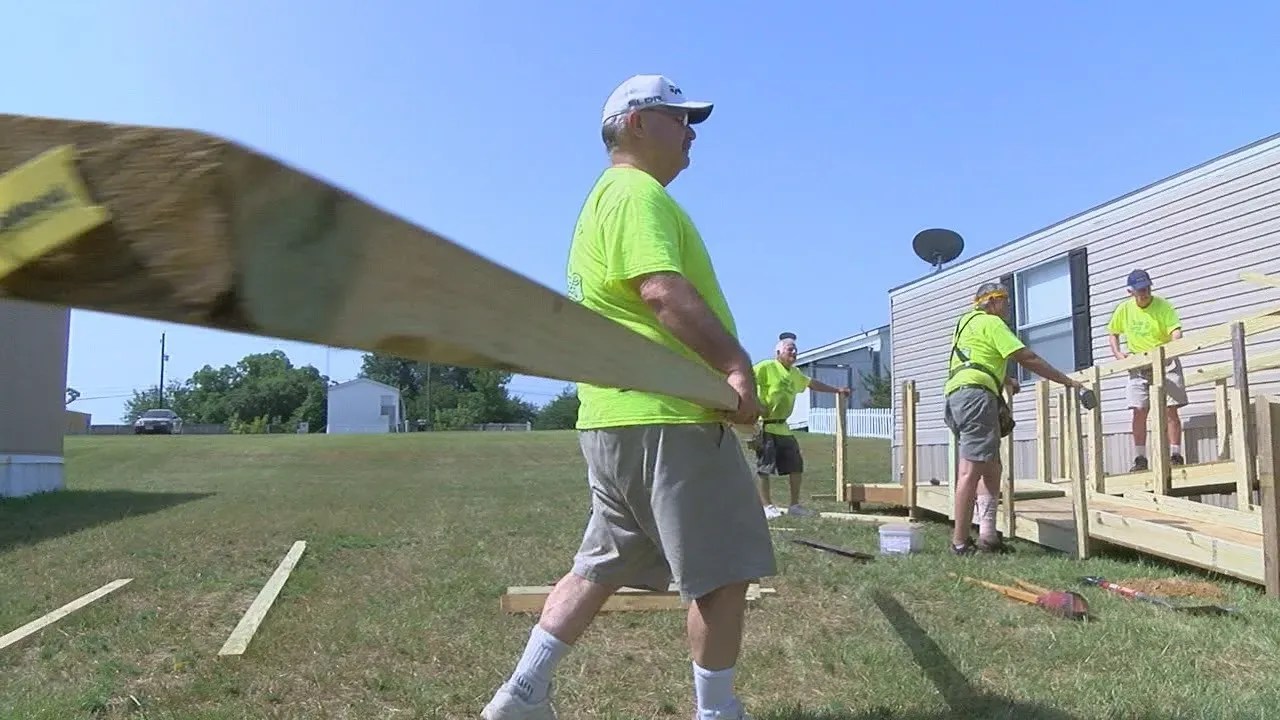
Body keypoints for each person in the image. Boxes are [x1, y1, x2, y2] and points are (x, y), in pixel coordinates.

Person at [482, 74, 775, 720]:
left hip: (612, 420)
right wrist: (734, 366)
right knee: (722, 576)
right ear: (638, 123)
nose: (691, 132)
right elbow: (660, 292)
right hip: (670, 420)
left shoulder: (601, 201)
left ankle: (524, 694)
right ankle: (717, 712)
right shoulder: (637, 193)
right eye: (679, 118)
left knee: (599, 567)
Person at [943, 281, 1085, 555]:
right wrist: (1065, 380)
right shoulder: (992, 323)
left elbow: (975, 357)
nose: (1008, 306)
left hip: (957, 396)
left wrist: (1004, 379)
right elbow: (1026, 357)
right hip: (976, 398)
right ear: (992, 301)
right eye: (1005, 301)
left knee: (991, 465)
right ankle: (959, 543)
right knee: (970, 471)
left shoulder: (965, 322)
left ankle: (988, 536)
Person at [752, 334, 851, 519]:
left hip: (784, 427)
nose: (794, 352)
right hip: (766, 426)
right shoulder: (766, 367)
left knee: (796, 465)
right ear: (778, 352)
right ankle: (766, 505)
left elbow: (812, 383)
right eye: (790, 349)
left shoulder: (795, 373)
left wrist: (836, 390)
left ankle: (794, 505)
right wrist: (755, 404)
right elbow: (746, 379)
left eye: (795, 349)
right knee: (764, 467)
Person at [1107, 269, 1187, 471]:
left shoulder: (1163, 305)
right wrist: (1118, 354)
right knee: (1139, 410)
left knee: (1170, 408)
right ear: (1131, 291)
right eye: (1140, 290)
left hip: (1165, 361)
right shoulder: (1124, 309)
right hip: (1138, 364)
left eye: (1147, 288)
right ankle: (1140, 458)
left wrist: (1173, 348)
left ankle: (1175, 455)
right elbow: (1113, 333)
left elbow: (1175, 331)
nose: (1145, 293)